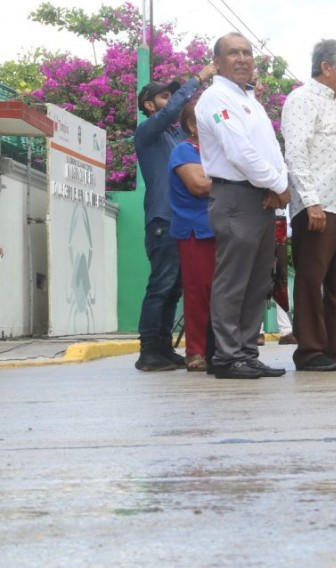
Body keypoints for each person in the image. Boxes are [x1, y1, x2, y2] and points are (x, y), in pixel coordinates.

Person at [195, 32, 290, 379]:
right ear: (216, 62)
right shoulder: (215, 98)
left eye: (247, 53)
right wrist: (279, 185)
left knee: (256, 282)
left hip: (260, 197)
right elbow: (239, 152)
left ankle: (247, 353)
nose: (242, 59)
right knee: (233, 281)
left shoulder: (248, 99)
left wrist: (278, 185)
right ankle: (226, 355)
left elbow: (270, 150)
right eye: (233, 53)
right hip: (235, 195)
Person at [282, 39, 336, 372]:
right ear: (326, 67)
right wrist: (311, 201)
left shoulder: (334, 104)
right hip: (318, 206)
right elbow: (296, 153)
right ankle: (310, 351)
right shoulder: (302, 99)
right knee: (311, 279)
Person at [133, 63, 215, 371]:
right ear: (149, 105)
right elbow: (172, 113)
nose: (171, 101)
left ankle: (163, 348)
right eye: (164, 96)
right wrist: (198, 79)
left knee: (175, 288)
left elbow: (193, 121)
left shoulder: (177, 136)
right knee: (161, 285)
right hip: (163, 220)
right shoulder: (148, 132)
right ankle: (148, 350)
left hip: (179, 223)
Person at [167, 99, 214, 372]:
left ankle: (219, 348)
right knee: (199, 292)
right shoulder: (184, 150)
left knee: (223, 292)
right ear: (192, 125)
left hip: (223, 228)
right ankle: (196, 350)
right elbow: (198, 185)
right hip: (196, 229)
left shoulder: (218, 151)